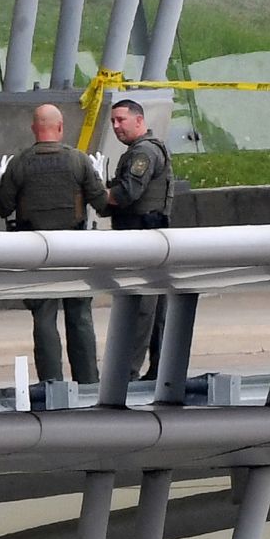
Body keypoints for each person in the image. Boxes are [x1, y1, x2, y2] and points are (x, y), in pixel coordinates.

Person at [0, 104, 108, 383]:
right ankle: (89, 381)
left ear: (34, 128)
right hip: (75, 248)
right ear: (60, 127)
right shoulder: (78, 160)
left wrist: (3, 180)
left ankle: (51, 383)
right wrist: (100, 180)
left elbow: (2, 207)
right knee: (79, 315)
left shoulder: (20, 162)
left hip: (36, 248)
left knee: (43, 316)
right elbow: (102, 204)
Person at [103, 99, 174, 380]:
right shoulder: (149, 148)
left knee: (140, 307)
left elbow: (127, 193)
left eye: (121, 120)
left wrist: (99, 191)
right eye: (113, 122)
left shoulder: (142, 152)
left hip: (140, 237)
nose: (116, 126)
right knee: (155, 308)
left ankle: (126, 373)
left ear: (138, 120)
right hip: (151, 236)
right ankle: (161, 370)